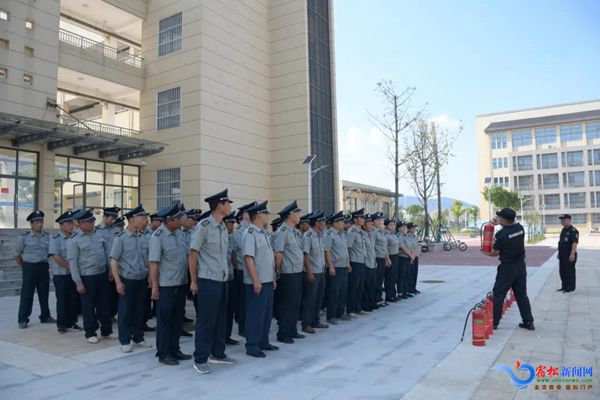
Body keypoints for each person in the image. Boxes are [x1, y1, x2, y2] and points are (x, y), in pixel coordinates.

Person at [189, 189, 237, 375]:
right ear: (220, 205)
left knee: (221, 318)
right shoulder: (204, 226)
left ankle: (218, 353)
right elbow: (193, 253)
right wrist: (193, 281)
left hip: (222, 279)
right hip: (208, 280)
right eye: (228, 203)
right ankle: (200, 358)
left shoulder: (223, 227)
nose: (230, 206)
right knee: (206, 321)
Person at [148, 202, 191, 366]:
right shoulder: (158, 236)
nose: (183, 219)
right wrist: (155, 287)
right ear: (171, 220)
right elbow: (154, 263)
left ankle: (175, 349)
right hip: (166, 285)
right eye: (180, 217)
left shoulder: (179, 233)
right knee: (165, 320)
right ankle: (164, 353)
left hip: (180, 283)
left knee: (177, 318)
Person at [110, 205, 153, 353]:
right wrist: (118, 282)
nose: (145, 221)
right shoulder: (121, 238)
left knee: (139, 310)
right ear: (132, 219)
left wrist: (150, 277)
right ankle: (124, 339)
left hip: (141, 279)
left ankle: (138, 336)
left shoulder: (144, 236)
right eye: (142, 218)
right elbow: (114, 260)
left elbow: (147, 258)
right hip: (127, 280)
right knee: (125, 312)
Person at [483, 208, 535, 331]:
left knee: (499, 294)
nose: (498, 218)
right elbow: (509, 233)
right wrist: (498, 225)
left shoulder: (501, 234)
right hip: (520, 266)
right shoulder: (520, 229)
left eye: (500, 217)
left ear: (505, 220)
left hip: (507, 268)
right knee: (521, 295)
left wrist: (487, 254)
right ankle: (528, 322)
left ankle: (494, 323)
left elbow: (495, 252)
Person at [67, 209, 113, 343]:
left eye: (93, 221)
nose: (92, 223)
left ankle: (106, 329)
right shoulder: (74, 240)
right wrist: (78, 282)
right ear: (80, 223)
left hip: (102, 274)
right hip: (87, 277)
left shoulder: (99, 233)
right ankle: (90, 332)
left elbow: (106, 252)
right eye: (89, 221)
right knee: (88, 306)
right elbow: (73, 262)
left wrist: (110, 268)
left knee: (104, 304)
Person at [241, 201, 279, 357]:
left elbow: (267, 258)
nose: (267, 216)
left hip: (267, 280)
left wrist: (272, 277)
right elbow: (249, 258)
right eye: (265, 213)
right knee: (255, 314)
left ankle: (263, 341)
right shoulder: (250, 233)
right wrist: (256, 280)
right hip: (257, 282)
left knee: (266, 314)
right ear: (259, 215)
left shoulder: (263, 233)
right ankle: (252, 345)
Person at [14, 210, 54, 329]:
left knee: (44, 293)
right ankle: (23, 319)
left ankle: (45, 316)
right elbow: (17, 254)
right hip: (29, 267)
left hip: (43, 267)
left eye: (41, 221)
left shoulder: (47, 236)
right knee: (27, 294)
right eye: (37, 222)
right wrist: (24, 266)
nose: (40, 224)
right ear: (31, 224)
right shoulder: (24, 237)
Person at [273, 200, 305, 344]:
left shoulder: (294, 232)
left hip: (297, 272)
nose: (299, 216)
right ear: (290, 215)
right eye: (297, 213)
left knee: (295, 303)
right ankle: (283, 333)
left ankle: (292, 329)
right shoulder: (283, 231)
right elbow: (278, 253)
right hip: (287, 274)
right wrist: (277, 270)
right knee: (286, 304)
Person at [49, 210, 81, 333]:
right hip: (61, 274)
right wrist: (70, 266)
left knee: (73, 299)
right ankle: (61, 324)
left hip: (73, 275)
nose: (71, 225)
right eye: (67, 224)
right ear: (61, 226)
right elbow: (56, 256)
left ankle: (72, 322)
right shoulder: (55, 238)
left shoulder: (75, 237)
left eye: (71, 223)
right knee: (62, 299)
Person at [231, 201, 257, 338]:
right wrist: (236, 267)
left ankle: (250, 325)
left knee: (251, 301)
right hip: (242, 270)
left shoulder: (256, 229)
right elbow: (234, 253)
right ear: (244, 214)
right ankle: (242, 326)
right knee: (243, 301)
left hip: (254, 270)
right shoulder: (239, 231)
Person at [301, 211, 328, 334]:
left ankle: (315, 320)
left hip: (321, 270)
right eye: (323, 221)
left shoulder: (319, 235)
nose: (324, 223)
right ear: (317, 222)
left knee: (319, 298)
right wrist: (309, 272)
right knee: (310, 299)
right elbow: (305, 255)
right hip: (313, 271)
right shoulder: (308, 236)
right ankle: (306, 323)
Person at [324, 211, 351, 324]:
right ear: (335, 223)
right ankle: (331, 316)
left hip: (343, 266)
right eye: (341, 222)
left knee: (343, 291)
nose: (343, 224)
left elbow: (345, 251)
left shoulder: (342, 234)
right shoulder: (329, 234)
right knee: (334, 292)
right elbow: (327, 251)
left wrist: (348, 263)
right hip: (335, 267)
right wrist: (330, 266)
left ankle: (340, 312)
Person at [98, 206, 121, 319]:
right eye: (112, 218)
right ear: (105, 217)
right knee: (105, 294)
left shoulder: (117, 230)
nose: (114, 220)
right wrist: (109, 268)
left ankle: (112, 314)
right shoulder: (97, 230)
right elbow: (101, 251)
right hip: (105, 267)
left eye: (115, 218)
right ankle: (104, 316)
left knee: (116, 293)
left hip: (116, 267)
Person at [346, 209, 368, 317]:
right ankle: (351, 309)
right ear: (355, 220)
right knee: (353, 286)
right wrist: (348, 263)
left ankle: (358, 307)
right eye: (361, 218)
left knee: (360, 286)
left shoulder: (361, 232)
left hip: (362, 262)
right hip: (354, 262)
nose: (363, 220)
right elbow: (348, 248)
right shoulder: (352, 232)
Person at [223, 211, 240, 345]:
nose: (233, 226)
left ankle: (226, 335)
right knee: (221, 310)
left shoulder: (231, 237)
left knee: (230, 309)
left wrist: (236, 269)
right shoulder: (219, 236)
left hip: (231, 276)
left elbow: (233, 254)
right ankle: (219, 337)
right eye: (230, 223)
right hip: (220, 278)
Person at [372, 212, 390, 307]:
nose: (380, 222)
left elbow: (384, 246)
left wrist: (387, 258)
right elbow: (372, 247)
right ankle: (376, 299)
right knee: (376, 280)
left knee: (380, 280)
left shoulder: (381, 231)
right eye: (378, 220)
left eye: (381, 220)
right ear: (373, 221)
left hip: (382, 257)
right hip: (376, 258)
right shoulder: (373, 232)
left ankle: (379, 298)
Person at [557, 214, 578, 293]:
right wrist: (559, 253)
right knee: (562, 271)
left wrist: (572, 254)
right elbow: (561, 243)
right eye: (561, 220)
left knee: (570, 272)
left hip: (569, 255)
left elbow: (574, 243)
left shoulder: (573, 231)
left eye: (563, 220)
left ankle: (571, 288)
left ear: (569, 220)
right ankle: (564, 286)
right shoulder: (563, 230)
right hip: (562, 255)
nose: (562, 221)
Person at [362, 214, 378, 312]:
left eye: (372, 224)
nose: (371, 226)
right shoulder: (362, 236)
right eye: (369, 224)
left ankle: (371, 302)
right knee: (366, 285)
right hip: (366, 264)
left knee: (372, 284)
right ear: (364, 226)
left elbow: (372, 250)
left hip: (372, 263)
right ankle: (366, 303)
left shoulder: (370, 235)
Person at [396, 221, 415, 299]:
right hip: (402, 257)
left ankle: (405, 291)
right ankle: (400, 292)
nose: (404, 228)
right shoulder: (399, 236)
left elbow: (411, 246)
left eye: (405, 227)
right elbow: (403, 247)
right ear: (398, 228)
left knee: (407, 274)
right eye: (402, 227)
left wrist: (412, 256)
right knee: (402, 275)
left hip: (408, 257)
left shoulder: (406, 236)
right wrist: (411, 255)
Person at [384, 218, 400, 303]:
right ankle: (389, 295)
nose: (393, 226)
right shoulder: (386, 235)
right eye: (391, 224)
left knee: (394, 276)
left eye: (394, 224)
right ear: (386, 226)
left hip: (396, 255)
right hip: (390, 256)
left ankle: (393, 294)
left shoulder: (394, 235)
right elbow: (385, 248)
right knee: (389, 277)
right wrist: (387, 259)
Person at [407, 222, 421, 295]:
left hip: (416, 256)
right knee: (410, 273)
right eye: (412, 228)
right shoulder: (407, 236)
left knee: (415, 273)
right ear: (408, 229)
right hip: (411, 257)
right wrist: (411, 256)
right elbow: (409, 247)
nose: (414, 229)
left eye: (415, 228)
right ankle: (410, 288)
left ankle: (413, 288)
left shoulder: (414, 236)